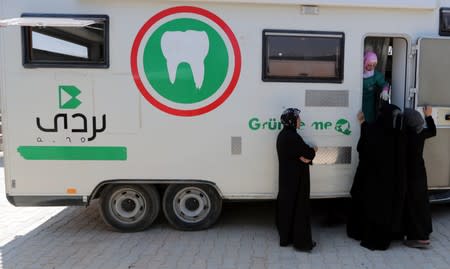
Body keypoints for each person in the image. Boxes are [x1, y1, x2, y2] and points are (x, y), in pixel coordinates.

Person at [348, 105, 407, 250]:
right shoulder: (397, 135)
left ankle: (363, 233)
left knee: (368, 207)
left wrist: (362, 123)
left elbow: (361, 148)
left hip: (370, 179)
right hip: (388, 182)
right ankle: (382, 238)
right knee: (384, 211)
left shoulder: (371, 130)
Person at [276, 108, 317, 251]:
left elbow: (301, 155)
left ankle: (286, 238)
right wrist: (314, 150)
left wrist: (304, 156)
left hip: (287, 180)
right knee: (299, 208)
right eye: (298, 119)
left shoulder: (283, 135)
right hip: (296, 181)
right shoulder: (292, 137)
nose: (300, 121)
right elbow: (308, 153)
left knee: (287, 208)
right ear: (292, 121)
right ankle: (301, 241)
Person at [402, 106, 436, 249]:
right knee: (422, 203)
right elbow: (433, 131)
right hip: (420, 173)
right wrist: (428, 115)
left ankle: (418, 238)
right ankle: (425, 233)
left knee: (413, 206)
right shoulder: (420, 133)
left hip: (409, 174)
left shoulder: (404, 135)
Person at [362, 51, 390, 123]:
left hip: (369, 103)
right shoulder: (357, 72)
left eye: (374, 65)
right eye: (369, 65)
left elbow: (384, 83)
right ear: (364, 62)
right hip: (356, 101)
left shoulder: (376, 75)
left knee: (368, 121)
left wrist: (385, 90)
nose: (371, 67)